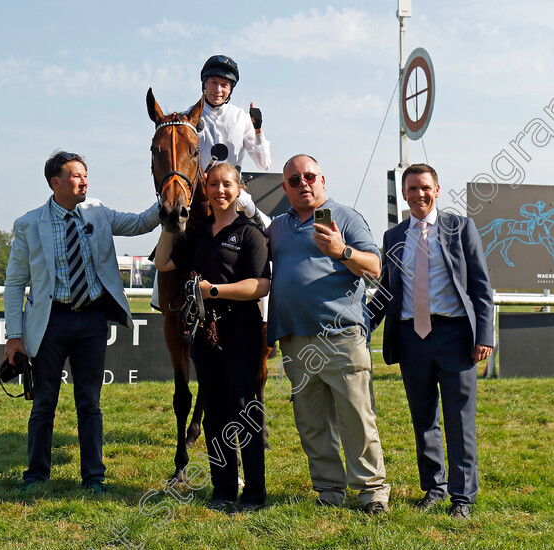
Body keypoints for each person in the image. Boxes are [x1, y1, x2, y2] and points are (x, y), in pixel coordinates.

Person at [3, 151, 161, 494]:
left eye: (86, 175)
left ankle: (94, 477)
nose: (84, 181)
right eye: (76, 176)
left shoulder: (99, 211)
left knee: (89, 402)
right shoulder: (29, 224)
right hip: (50, 323)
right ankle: (35, 476)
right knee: (44, 403)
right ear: (55, 182)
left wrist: (169, 192)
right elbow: (15, 284)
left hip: (92, 320)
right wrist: (14, 337)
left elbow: (139, 223)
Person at [368, 163, 494, 520]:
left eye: (425, 187)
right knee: (423, 419)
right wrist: (362, 323)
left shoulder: (460, 227)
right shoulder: (393, 237)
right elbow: (386, 291)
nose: (418, 194)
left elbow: (482, 287)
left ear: (437, 190)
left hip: (455, 337)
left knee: (458, 419)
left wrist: (485, 334)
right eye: (411, 189)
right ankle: (434, 489)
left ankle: (462, 498)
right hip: (412, 339)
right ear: (404, 194)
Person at [268, 154, 391, 515]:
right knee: (311, 424)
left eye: (309, 176)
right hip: (294, 340)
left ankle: (372, 494)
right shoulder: (276, 227)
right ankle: (328, 490)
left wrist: (342, 250)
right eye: (294, 180)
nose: (303, 183)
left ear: (323, 179)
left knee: (356, 418)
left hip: (340, 336)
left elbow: (375, 268)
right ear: (284, 188)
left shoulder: (347, 217)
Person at [154, 162, 270, 513]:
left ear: (239, 190)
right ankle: (222, 491)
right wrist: (168, 224)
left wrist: (214, 291)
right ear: (205, 188)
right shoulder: (197, 233)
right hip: (204, 334)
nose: (220, 190)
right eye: (214, 184)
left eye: (227, 185)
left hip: (242, 330)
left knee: (242, 411)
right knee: (216, 414)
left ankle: (253, 494)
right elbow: (163, 263)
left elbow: (260, 285)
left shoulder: (250, 232)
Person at [195, 54, 271, 224]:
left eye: (224, 85)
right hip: (197, 194)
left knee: (269, 230)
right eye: (213, 82)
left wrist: (258, 130)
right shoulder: (188, 117)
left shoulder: (241, 118)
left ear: (230, 89)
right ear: (204, 84)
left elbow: (263, 164)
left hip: (234, 195)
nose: (218, 90)